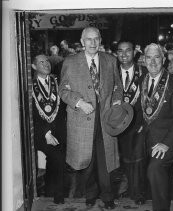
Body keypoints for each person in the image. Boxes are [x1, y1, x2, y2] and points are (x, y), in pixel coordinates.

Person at [59, 27, 123, 210]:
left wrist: (117, 101)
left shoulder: (110, 60)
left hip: (106, 120)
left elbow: (118, 86)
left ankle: (108, 196)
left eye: (96, 39)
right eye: (89, 39)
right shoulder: (70, 62)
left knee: (106, 161)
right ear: (82, 41)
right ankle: (90, 194)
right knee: (88, 162)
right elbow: (62, 90)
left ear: (101, 40)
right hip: (82, 120)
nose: (93, 43)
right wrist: (79, 102)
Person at [135, 43, 173, 211]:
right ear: (144, 60)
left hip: (172, 139)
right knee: (131, 156)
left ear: (163, 60)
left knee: (155, 168)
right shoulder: (142, 80)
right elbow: (141, 109)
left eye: (157, 57)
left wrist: (166, 143)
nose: (153, 62)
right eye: (149, 58)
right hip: (149, 136)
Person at [32, 54, 66, 204]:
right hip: (41, 131)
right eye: (41, 62)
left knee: (56, 161)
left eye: (46, 61)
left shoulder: (57, 81)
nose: (46, 64)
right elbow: (32, 112)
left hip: (59, 129)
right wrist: (46, 133)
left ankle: (50, 191)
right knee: (56, 159)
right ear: (34, 67)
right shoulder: (30, 85)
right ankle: (57, 195)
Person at [116, 40, 147, 205]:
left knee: (138, 159)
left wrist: (144, 123)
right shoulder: (111, 73)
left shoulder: (145, 73)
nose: (124, 54)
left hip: (139, 123)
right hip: (116, 124)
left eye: (128, 50)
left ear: (134, 52)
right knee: (120, 160)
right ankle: (123, 190)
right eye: (120, 51)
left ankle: (138, 193)